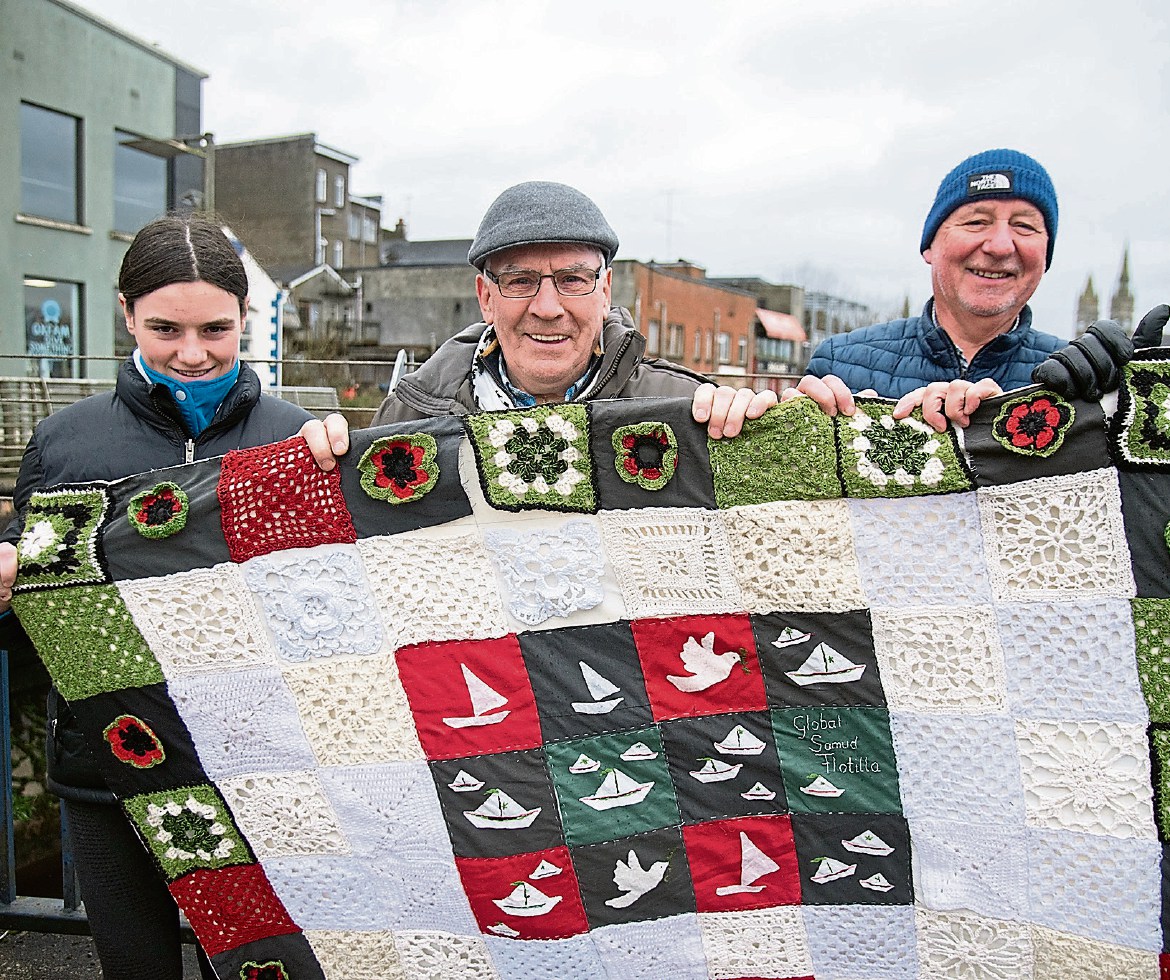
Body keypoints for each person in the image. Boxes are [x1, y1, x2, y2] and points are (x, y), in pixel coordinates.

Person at [0, 214, 337, 980]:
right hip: (107, 762)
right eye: (165, 328)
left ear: (245, 320)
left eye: (216, 329)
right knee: (135, 964)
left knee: (281, 963)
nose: (192, 354)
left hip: (266, 761)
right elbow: (34, 616)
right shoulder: (63, 443)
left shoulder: (301, 439)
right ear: (125, 314)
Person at [371, 180, 776, 431]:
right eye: (520, 281)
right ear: (486, 298)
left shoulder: (687, 411)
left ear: (605, 292)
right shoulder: (408, 416)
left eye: (573, 280)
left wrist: (779, 430)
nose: (547, 308)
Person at [791, 148, 1138, 430]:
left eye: (1024, 226)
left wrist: (1131, 394)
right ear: (930, 246)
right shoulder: (839, 362)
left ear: (1045, 255)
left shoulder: (1082, 380)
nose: (1001, 245)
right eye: (976, 222)